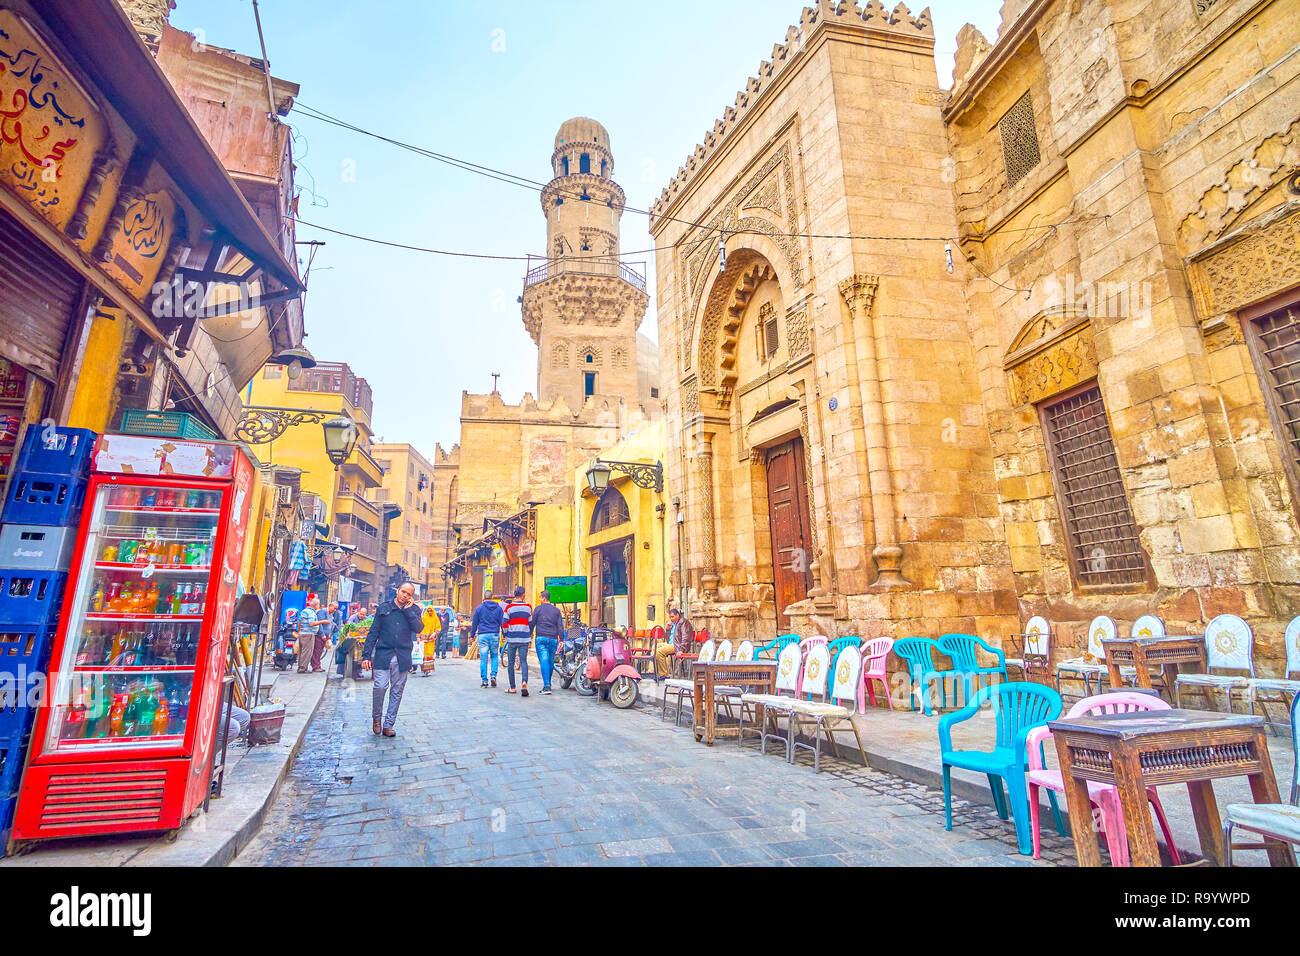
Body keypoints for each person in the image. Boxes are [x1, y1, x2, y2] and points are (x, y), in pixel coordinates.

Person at [361, 582, 423, 737]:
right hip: (383, 654)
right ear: (397, 591)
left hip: (402, 657)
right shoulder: (384, 608)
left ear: (411, 597)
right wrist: (366, 656)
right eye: (403, 592)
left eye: (409, 594)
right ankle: (377, 718)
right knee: (380, 687)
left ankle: (388, 724)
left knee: (397, 691)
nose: (405, 596)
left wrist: (408, 611)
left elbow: (418, 628)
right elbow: (373, 632)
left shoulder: (414, 610)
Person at [530, 589, 564, 695]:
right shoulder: (556, 610)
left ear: (544, 598)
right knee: (550, 661)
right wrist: (561, 639)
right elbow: (560, 626)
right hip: (553, 639)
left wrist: (530, 634)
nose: (539, 599)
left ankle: (546, 686)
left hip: (541, 638)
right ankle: (548, 683)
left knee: (544, 661)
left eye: (540, 597)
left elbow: (532, 623)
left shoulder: (538, 609)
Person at [502, 586, 533, 697]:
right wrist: (529, 634)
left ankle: (513, 687)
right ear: (523, 594)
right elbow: (530, 623)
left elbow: (504, 623)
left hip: (512, 638)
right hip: (524, 638)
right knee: (523, 661)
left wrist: (505, 634)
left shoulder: (509, 608)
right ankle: (524, 682)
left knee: (510, 663)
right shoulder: (528, 607)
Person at [470, 592, 505, 688]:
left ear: (484, 597)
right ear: (492, 597)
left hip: (483, 635)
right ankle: (493, 675)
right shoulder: (498, 609)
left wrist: (472, 635)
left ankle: (484, 680)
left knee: (483, 658)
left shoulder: (479, 609)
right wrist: (505, 634)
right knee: (494, 656)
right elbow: (502, 622)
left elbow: (475, 623)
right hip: (494, 634)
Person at [655, 607, 695, 680]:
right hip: (671, 644)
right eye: (670, 617)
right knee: (656, 646)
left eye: (672, 617)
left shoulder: (683, 622)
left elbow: (686, 637)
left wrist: (681, 649)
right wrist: (668, 629)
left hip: (677, 646)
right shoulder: (674, 624)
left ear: (677, 615)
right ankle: (655, 671)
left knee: (659, 652)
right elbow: (668, 639)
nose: (671, 619)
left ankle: (664, 674)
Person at [296, 596, 324, 674]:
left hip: (302, 633)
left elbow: (299, 622)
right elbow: (311, 623)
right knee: (307, 652)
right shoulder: (311, 612)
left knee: (302, 651)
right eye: (318, 604)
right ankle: (303, 669)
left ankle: (301, 667)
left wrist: (299, 631)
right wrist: (322, 621)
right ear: (316, 605)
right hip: (309, 634)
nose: (319, 606)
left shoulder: (304, 611)